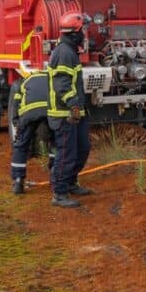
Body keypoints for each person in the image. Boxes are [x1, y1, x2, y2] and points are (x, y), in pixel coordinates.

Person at [47, 12, 93, 208]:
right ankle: (59, 193)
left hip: (75, 113)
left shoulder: (70, 50)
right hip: (64, 114)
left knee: (82, 148)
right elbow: (62, 86)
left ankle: (71, 182)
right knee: (66, 153)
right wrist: (73, 105)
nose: (86, 33)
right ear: (75, 32)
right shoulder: (64, 53)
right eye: (84, 29)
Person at [8, 71, 52, 195]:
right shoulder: (50, 78)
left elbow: (16, 101)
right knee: (55, 142)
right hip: (49, 111)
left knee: (21, 145)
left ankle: (18, 182)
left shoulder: (25, 81)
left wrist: (17, 122)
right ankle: (55, 176)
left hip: (29, 114)